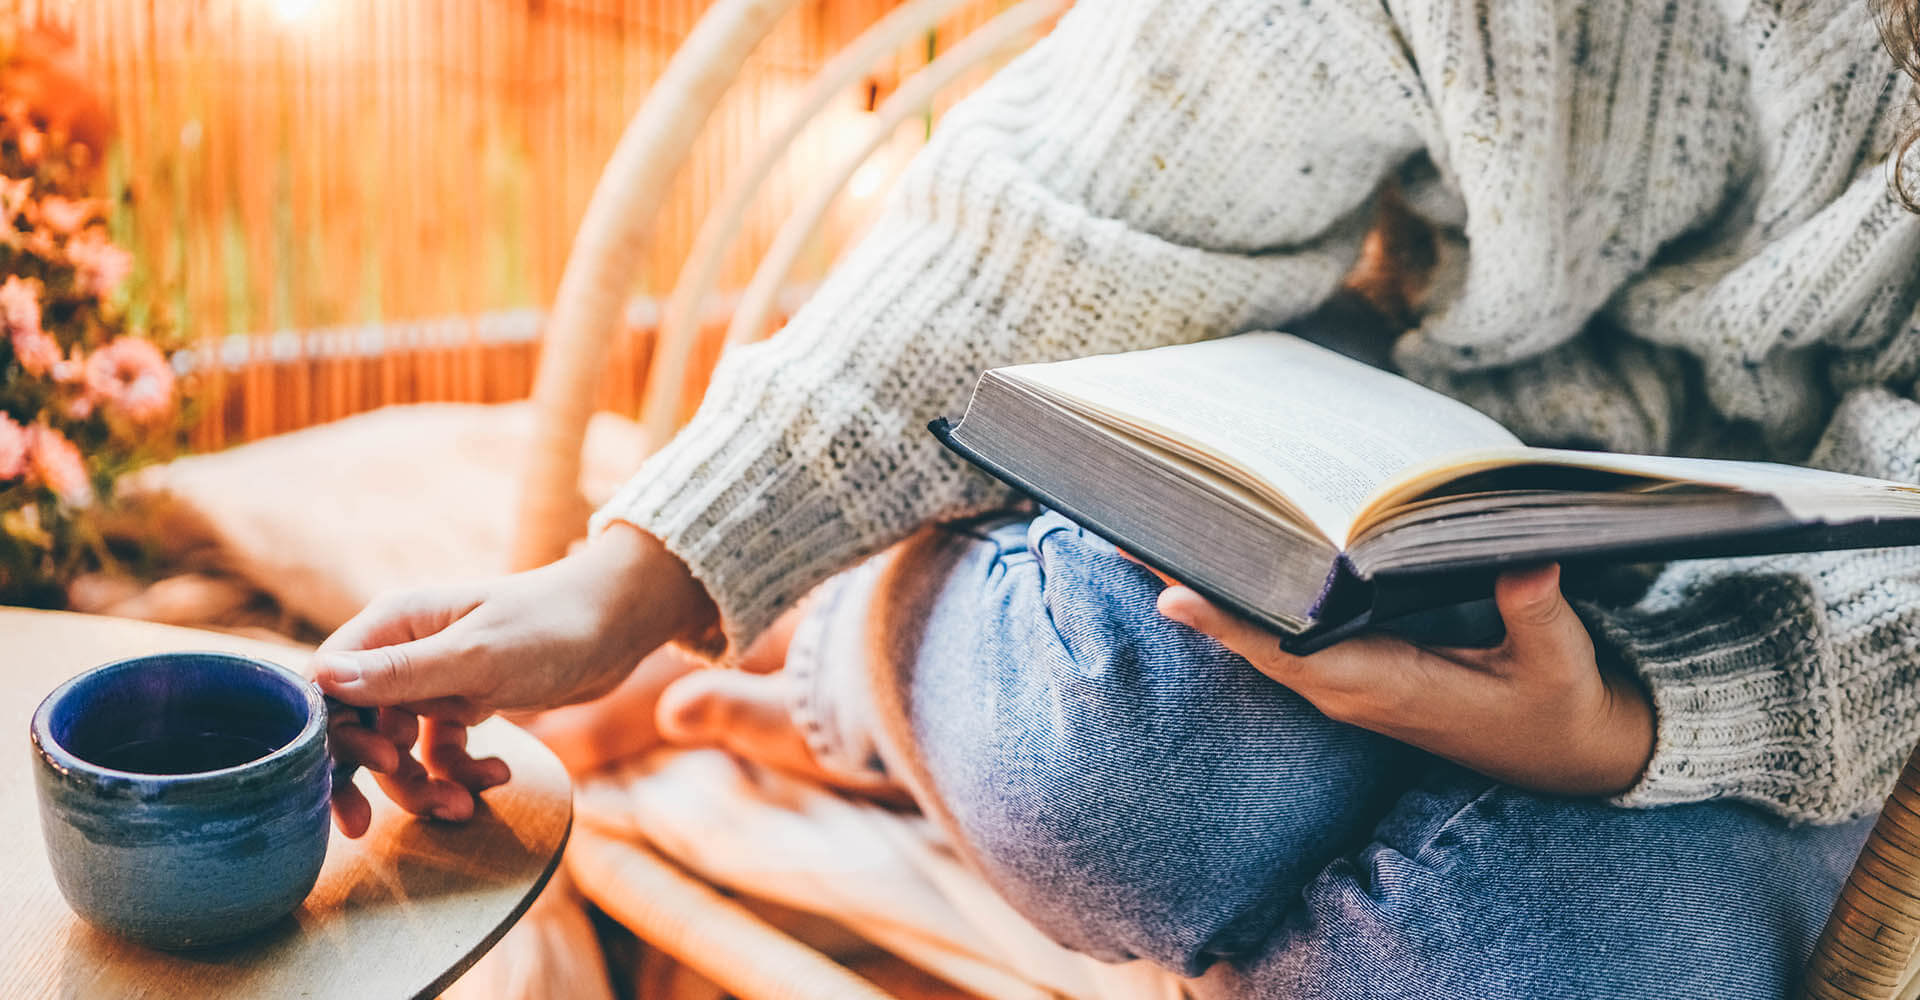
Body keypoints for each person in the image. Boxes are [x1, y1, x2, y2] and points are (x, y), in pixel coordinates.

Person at [313, 0, 1920, 994]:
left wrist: (1644, 729)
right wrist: (641, 581)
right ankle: (837, 655)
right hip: (1415, 464)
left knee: (1517, 976)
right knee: (1123, 763)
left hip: (1826, 636)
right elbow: (1073, 212)